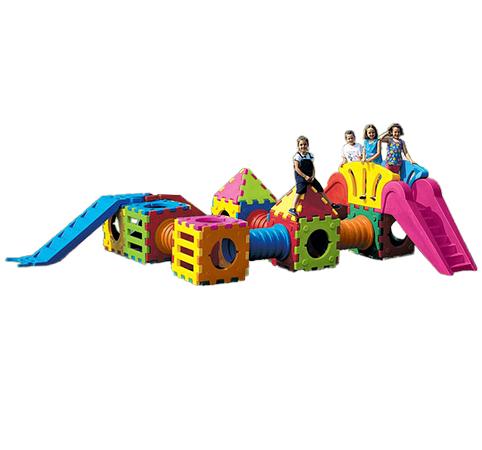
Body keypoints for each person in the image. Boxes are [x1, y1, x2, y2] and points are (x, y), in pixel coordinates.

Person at [289, 136, 334, 217]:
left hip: (309, 175)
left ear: (307, 145)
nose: (303, 146)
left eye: (305, 144)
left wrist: (313, 176)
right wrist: (304, 176)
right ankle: (292, 208)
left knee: (319, 188)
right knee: (300, 189)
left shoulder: (310, 155)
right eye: (301, 145)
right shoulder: (298, 156)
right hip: (300, 175)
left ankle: (331, 203)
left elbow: (313, 167)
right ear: (298, 146)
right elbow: (296, 168)